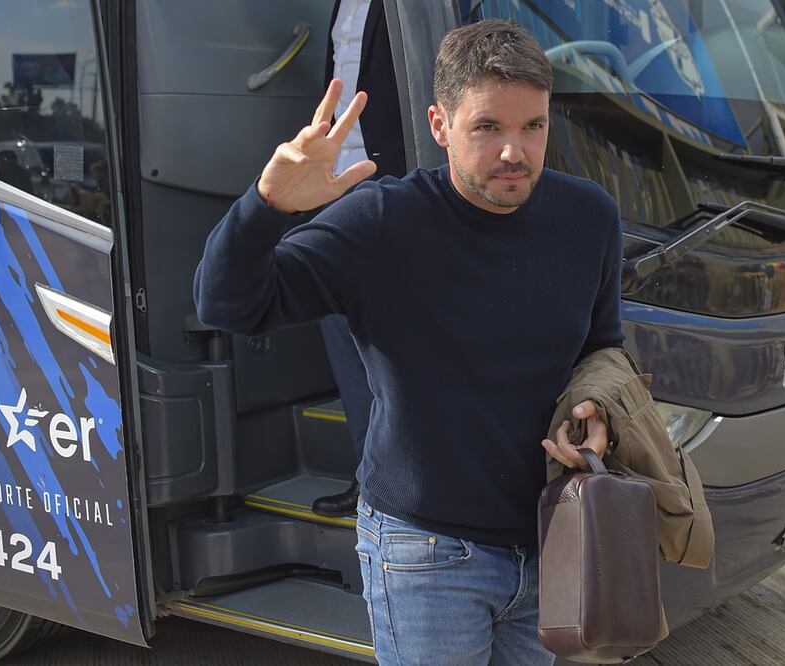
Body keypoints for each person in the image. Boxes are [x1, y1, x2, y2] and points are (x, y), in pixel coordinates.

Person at [195, 20, 621, 664]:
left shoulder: (589, 217)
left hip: (551, 538)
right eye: (488, 128)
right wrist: (267, 205)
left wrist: (597, 413)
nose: (515, 151)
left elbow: (603, 349)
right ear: (439, 125)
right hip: (426, 556)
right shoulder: (381, 221)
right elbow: (229, 306)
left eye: (533, 126)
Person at [313, 0, 407, 517]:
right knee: (337, 322)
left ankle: (400, 478)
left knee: (391, 331)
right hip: (337, 185)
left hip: (393, 183)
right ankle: (370, 479)